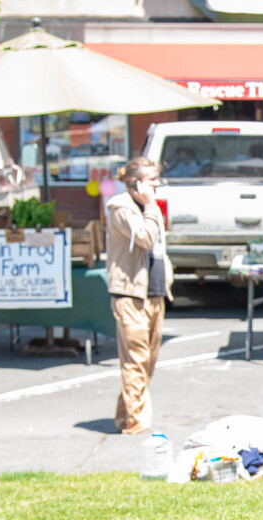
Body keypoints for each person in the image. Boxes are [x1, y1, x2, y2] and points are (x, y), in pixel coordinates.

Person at [106, 156, 172, 435]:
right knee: (135, 359)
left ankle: (125, 416)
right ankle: (136, 424)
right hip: (130, 293)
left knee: (147, 361)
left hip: (154, 292)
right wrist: (149, 205)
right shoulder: (120, 208)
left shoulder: (150, 207)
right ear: (135, 184)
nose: (156, 186)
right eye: (151, 181)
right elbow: (145, 237)